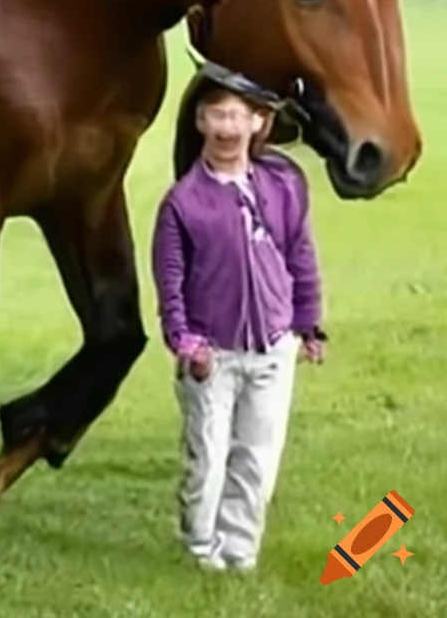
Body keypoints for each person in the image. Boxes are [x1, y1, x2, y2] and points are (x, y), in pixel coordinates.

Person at [151, 61, 327, 573]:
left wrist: (308, 324)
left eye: (237, 116)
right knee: (207, 457)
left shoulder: (283, 186)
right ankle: (201, 543)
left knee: (258, 453)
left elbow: (300, 255)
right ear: (201, 124)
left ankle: (240, 548)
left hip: (273, 345)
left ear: (258, 124)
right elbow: (170, 284)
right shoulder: (183, 203)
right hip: (212, 351)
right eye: (216, 116)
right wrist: (185, 342)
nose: (227, 127)